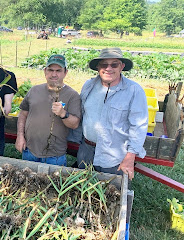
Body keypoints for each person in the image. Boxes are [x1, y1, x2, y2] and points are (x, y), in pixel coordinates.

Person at [76, 47, 148, 180]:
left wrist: (130, 157)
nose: (108, 68)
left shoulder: (134, 91)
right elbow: (81, 114)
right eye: (104, 64)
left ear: (122, 67)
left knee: (111, 193)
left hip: (114, 157)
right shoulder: (89, 86)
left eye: (114, 64)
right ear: (98, 67)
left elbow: (139, 126)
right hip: (86, 151)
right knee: (82, 192)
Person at [15, 54, 81, 166]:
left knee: (52, 183)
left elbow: (74, 124)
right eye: (50, 70)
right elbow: (23, 114)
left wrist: (63, 113)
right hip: (29, 150)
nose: (54, 74)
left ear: (65, 72)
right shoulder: (34, 90)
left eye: (58, 70)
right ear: (45, 71)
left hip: (55, 156)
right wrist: (20, 136)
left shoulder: (72, 95)